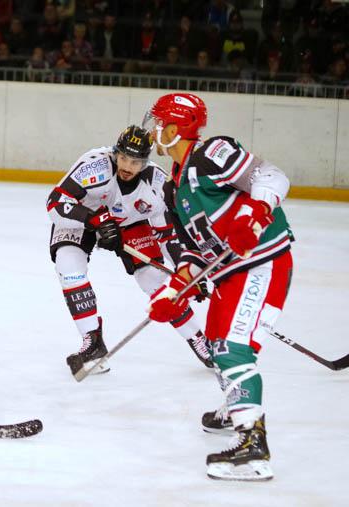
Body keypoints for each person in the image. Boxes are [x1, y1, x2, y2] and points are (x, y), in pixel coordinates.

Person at [144, 92, 294, 481]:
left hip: (261, 262)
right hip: (230, 272)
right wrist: (173, 293)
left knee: (231, 347)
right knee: (215, 345)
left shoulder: (212, 153)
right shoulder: (173, 188)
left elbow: (272, 177)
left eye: (159, 122)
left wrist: (256, 215)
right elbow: (194, 253)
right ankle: (237, 404)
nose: (154, 129)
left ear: (174, 129)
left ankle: (252, 446)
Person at [47, 125, 212, 381]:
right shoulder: (94, 165)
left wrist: (188, 273)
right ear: (116, 153)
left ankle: (199, 340)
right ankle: (92, 342)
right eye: (123, 157)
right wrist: (93, 220)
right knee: (68, 265)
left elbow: (168, 235)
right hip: (85, 218)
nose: (127, 166)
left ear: (145, 162)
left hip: (131, 224)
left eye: (135, 162)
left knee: (152, 279)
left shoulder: (157, 185)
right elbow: (55, 202)